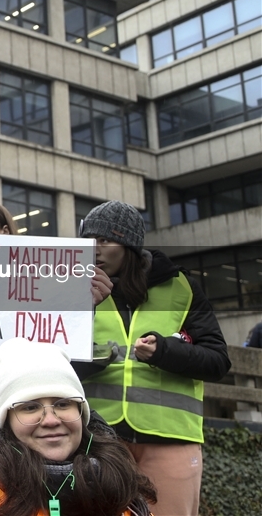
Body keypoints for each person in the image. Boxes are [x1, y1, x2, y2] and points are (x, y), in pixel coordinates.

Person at [79, 200, 230, 516]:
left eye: (105, 240)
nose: (95, 249)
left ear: (130, 244)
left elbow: (217, 360)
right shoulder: (74, 288)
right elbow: (51, 358)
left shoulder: (181, 287)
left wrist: (164, 352)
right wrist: (85, 313)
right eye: (88, 240)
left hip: (171, 438)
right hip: (98, 438)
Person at [0, 337, 156, 516]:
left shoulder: (124, 495)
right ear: (6, 423)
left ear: (82, 414)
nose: (50, 420)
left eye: (63, 404)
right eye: (30, 407)